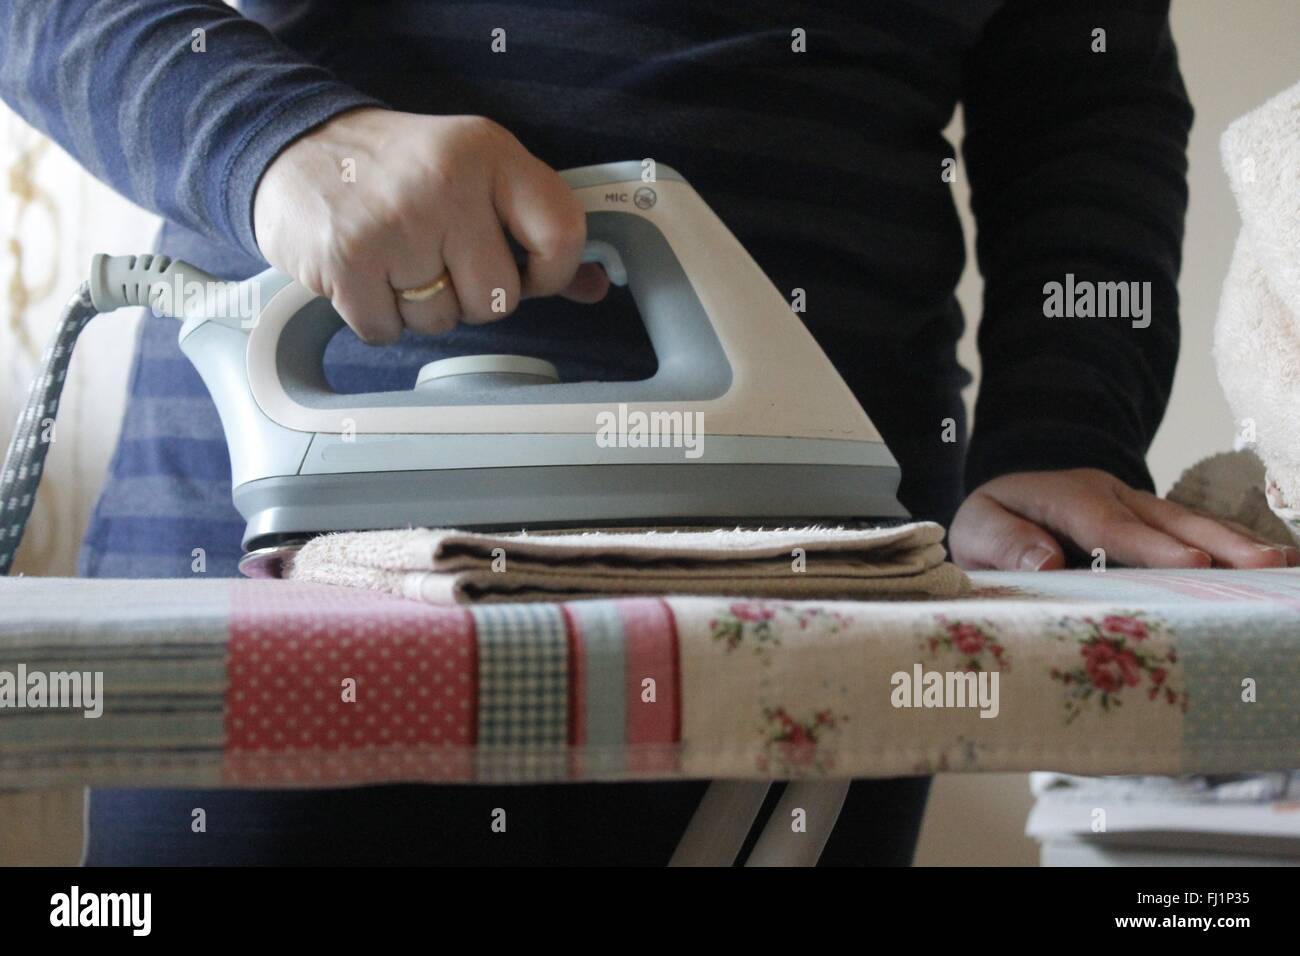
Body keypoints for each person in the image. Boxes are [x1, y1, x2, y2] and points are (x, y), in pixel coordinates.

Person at [2, 0, 1292, 866]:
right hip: (275, 593)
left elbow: (1087, 92)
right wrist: (278, 139)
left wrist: (1065, 427)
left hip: (831, 608)